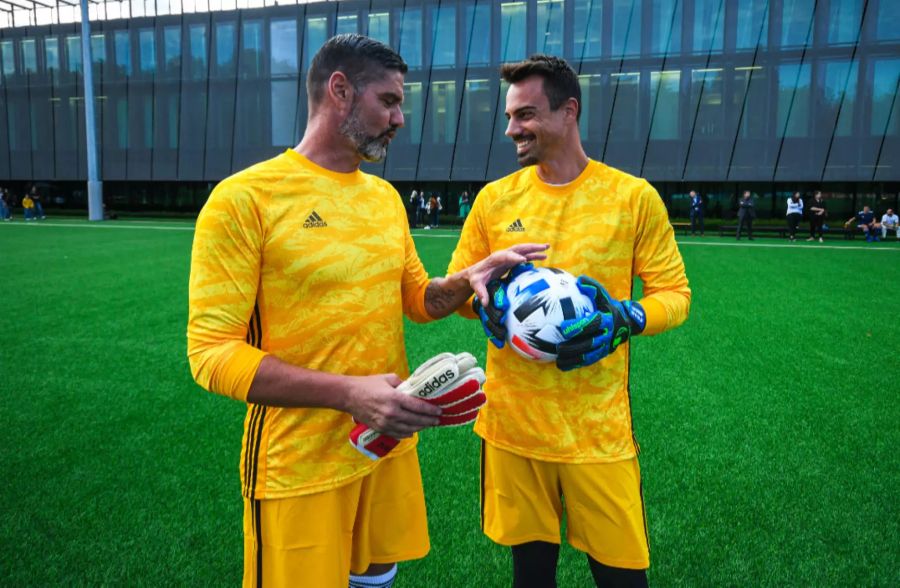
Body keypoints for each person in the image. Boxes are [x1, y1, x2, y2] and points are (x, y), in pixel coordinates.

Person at [186, 34, 547, 588]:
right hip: (299, 465)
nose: (400, 117)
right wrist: (351, 394)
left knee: (378, 577)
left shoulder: (383, 199)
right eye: (389, 101)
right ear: (340, 91)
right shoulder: (245, 199)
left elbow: (419, 301)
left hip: (384, 447)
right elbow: (211, 355)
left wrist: (468, 280)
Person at [447, 54, 690, 588]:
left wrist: (629, 316)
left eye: (526, 115)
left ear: (568, 112)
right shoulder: (494, 200)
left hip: (597, 434)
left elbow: (676, 294)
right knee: (531, 577)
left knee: (622, 578)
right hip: (512, 428)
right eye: (510, 116)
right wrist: (481, 302)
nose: (512, 129)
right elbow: (461, 287)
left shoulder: (632, 198)